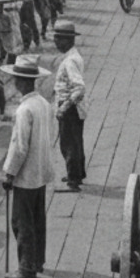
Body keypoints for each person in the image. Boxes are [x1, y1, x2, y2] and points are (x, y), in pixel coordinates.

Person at [0, 57, 55, 278]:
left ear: (20, 82)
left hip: (26, 174)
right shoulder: (43, 103)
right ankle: (37, 260)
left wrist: (10, 173)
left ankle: (26, 267)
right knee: (37, 219)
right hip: (41, 170)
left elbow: (19, 147)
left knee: (21, 222)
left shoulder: (24, 110)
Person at [52, 20, 86, 192]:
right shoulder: (74, 56)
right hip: (75, 107)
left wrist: (64, 107)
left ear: (67, 40)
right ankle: (77, 173)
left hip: (70, 106)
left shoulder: (69, 62)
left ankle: (73, 180)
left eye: (58, 39)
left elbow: (79, 87)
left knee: (68, 144)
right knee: (76, 141)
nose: (56, 43)